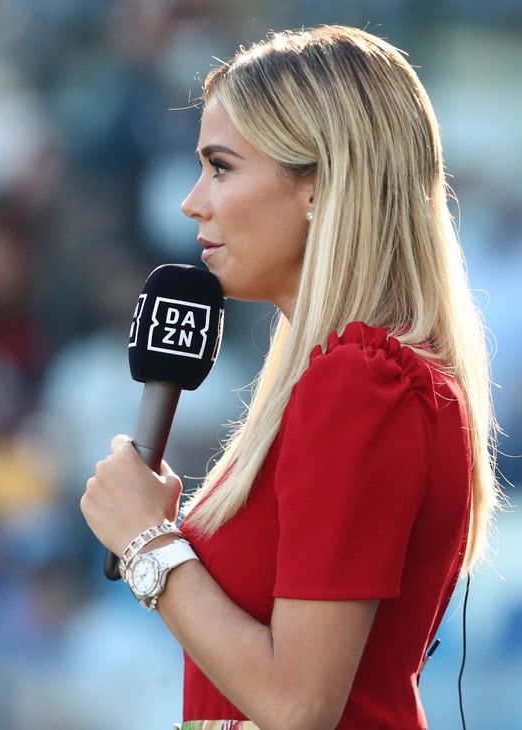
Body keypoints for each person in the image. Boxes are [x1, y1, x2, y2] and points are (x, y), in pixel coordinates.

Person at [80, 26, 502, 729]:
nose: (192, 203)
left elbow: (297, 703)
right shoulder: (359, 376)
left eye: (220, 167)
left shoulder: (360, 383)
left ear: (320, 186)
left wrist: (148, 545)